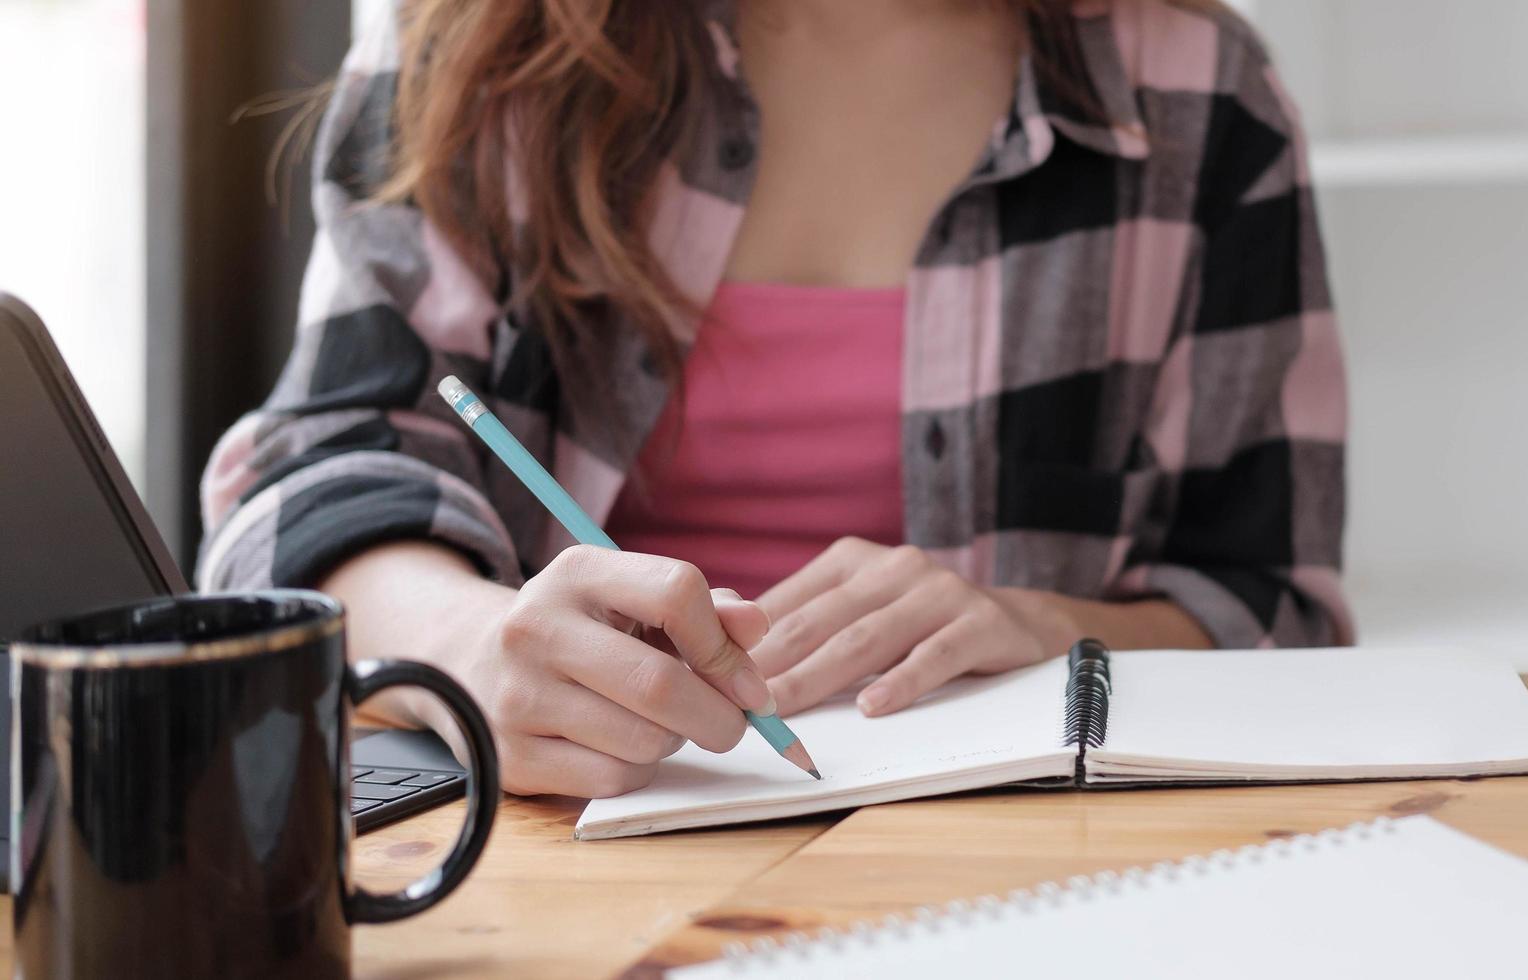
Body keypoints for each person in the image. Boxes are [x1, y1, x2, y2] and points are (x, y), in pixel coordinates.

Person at [199, 0, 1350, 798]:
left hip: (1025, 866)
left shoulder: (1199, 93)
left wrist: (1046, 627)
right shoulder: (476, 48)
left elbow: (1275, 603)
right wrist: (467, 644)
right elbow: (307, 483)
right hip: (567, 847)